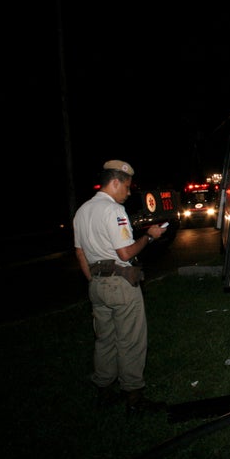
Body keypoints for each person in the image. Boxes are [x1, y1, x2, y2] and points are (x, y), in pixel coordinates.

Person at [73, 159, 168, 415]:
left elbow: (80, 254)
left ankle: (104, 391)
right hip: (121, 284)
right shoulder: (113, 210)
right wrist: (149, 236)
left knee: (104, 340)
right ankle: (134, 398)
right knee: (131, 340)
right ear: (115, 182)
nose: (128, 192)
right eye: (126, 186)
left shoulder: (82, 211)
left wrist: (93, 282)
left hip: (96, 285)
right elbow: (125, 253)